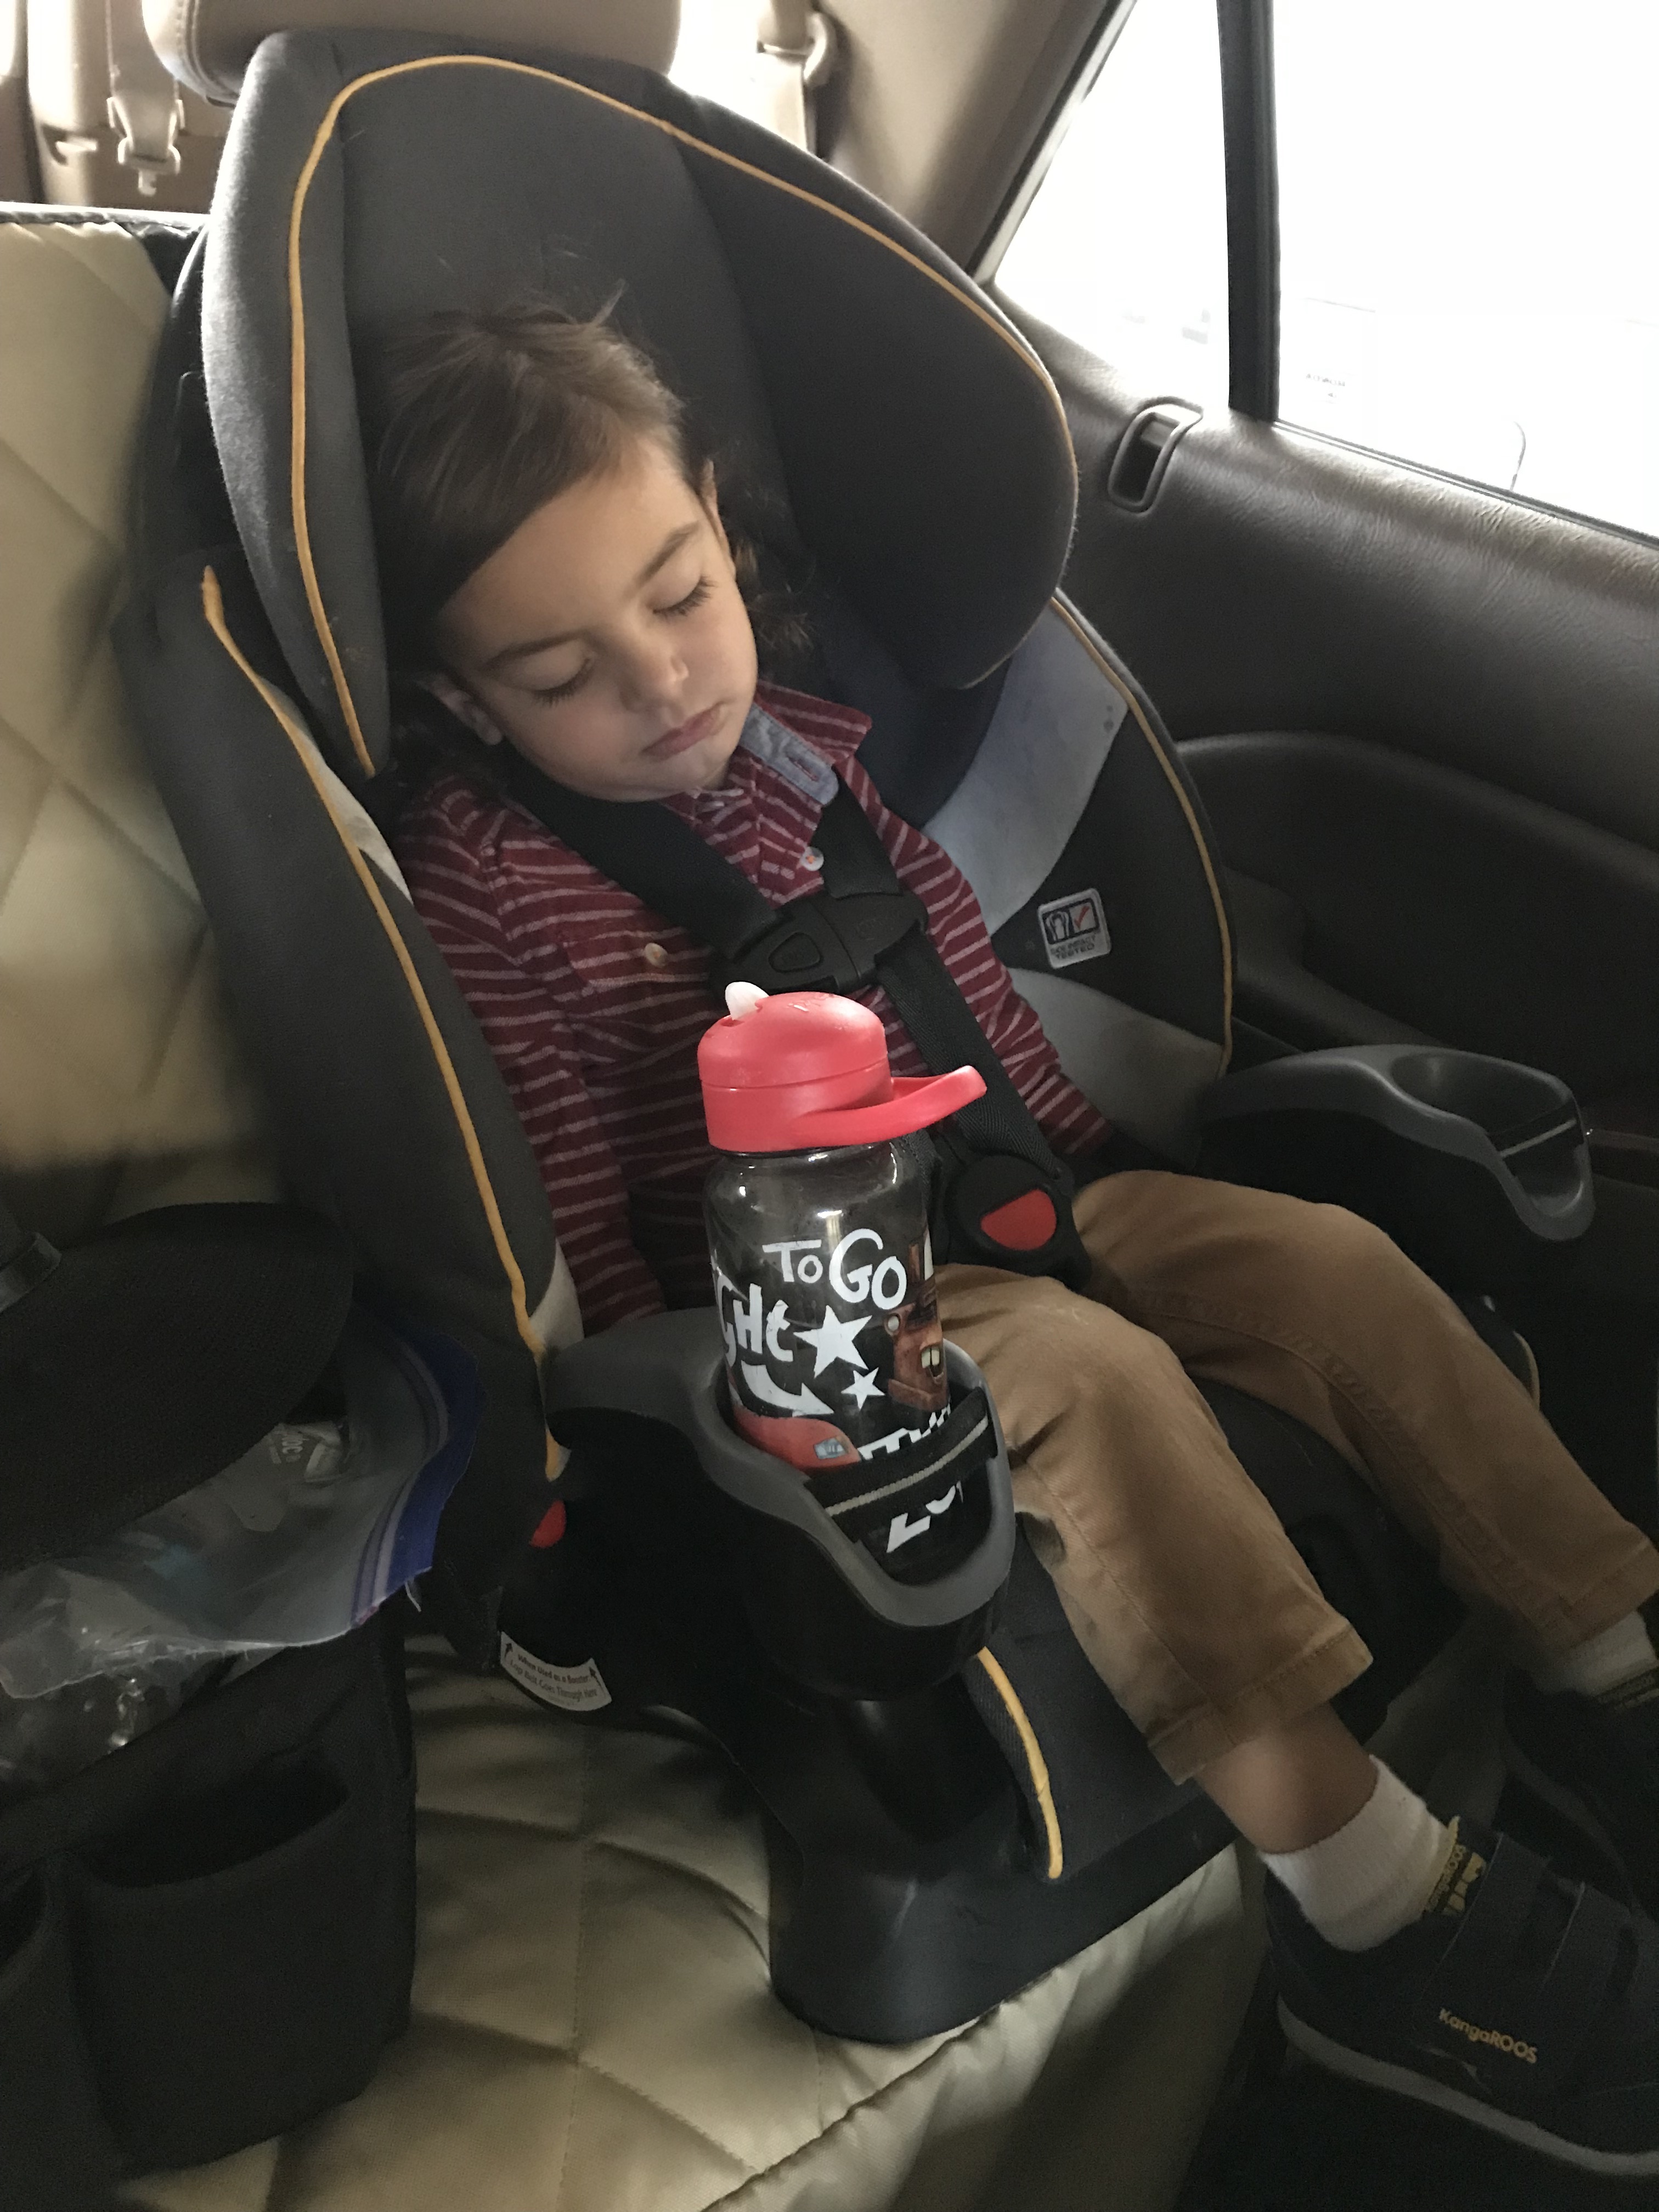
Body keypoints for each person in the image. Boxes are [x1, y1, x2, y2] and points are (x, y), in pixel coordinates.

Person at [374, 300, 1659, 2173]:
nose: (661, 683)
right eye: (566, 672)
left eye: (682, 595)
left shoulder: (806, 754)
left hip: (1018, 1177)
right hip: (819, 1307)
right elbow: (558, 1206)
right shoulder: (490, 882)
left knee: (1330, 1266)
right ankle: (1366, 1904)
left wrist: (1099, 1182)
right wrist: (668, 1430)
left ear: (721, 523)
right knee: (1087, 1377)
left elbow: (960, 983)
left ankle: (1608, 1672)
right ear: (468, 699)